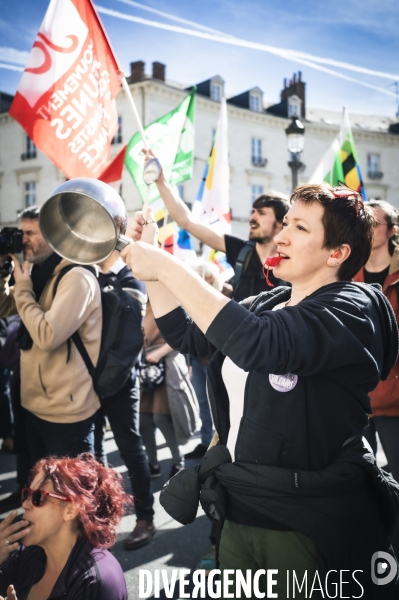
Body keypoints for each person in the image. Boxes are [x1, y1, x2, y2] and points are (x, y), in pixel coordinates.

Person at [121, 186, 399, 598]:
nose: (282, 236)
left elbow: (260, 344)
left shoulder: (353, 308)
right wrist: (153, 270)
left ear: (337, 252)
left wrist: (164, 265)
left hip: (305, 522)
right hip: (239, 512)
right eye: (286, 223)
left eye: (300, 227)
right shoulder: (268, 302)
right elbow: (186, 335)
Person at [0, 206, 102, 467]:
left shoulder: (77, 276)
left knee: (74, 500)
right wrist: (2, 271)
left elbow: (47, 335)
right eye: (21, 232)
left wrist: (22, 288)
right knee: (45, 493)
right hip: (35, 405)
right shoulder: (39, 273)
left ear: (54, 234)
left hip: (67, 415)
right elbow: (4, 307)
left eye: (31, 232)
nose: (23, 240)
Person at [130, 149, 289, 302]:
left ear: (280, 222)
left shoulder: (292, 262)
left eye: (261, 213)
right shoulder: (242, 252)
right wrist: (161, 180)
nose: (252, 217)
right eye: (253, 212)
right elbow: (187, 221)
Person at [0, 453, 129, 599]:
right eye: (26, 494)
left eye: (38, 497)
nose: (25, 504)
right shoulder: (30, 553)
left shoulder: (96, 580)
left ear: (70, 510)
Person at [94, 249, 155, 551]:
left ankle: (145, 517)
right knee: (93, 454)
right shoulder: (88, 274)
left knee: (130, 448)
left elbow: (129, 343)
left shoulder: (131, 280)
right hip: (89, 382)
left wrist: (101, 383)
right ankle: (101, 518)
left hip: (118, 382)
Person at [140, 302, 200, 479]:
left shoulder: (169, 298)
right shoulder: (140, 297)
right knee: (143, 418)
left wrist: (158, 353)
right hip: (144, 366)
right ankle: (152, 463)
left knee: (161, 418)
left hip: (167, 365)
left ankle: (177, 461)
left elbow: (183, 334)